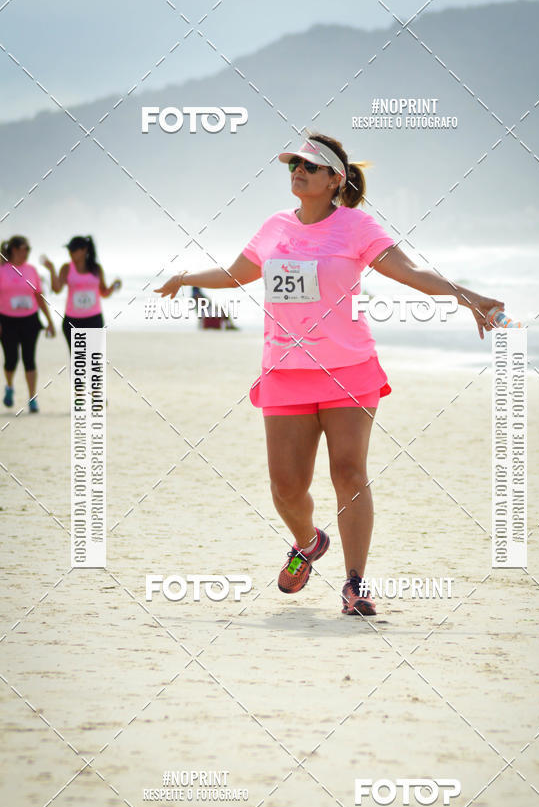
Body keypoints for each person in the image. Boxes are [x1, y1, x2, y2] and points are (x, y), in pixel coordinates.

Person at [155, 133, 503, 617]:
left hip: (348, 370)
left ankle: (355, 584)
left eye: (310, 165)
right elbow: (237, 274)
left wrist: (470, 297)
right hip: (285, 372)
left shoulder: (356, 227)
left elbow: (412, 274)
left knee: (349, 472)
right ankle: (308, 541)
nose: (298, 169)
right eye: (294, 163)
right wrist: (186, 277)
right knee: (286, 489)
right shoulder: (274, 227)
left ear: (335, 179)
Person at [0, 235, 56, 413]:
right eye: (25, 249)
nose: (27, 253)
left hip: (30, 320)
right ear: (15, 250)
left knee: (29, 359)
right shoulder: (2, 270)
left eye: (29, 249)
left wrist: (49, 321)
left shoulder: (31, 270)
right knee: (11, 359)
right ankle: (9, 387)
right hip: (7, 320)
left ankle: (32, 398)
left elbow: (38, 296)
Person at [41, 235, 121, 350]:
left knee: (92, 361)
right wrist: (52, 269)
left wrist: (114, 286)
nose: (71, 253)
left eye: (74, 250)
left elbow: (103, 293)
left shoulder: (96, 269)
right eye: (69, 250)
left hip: (94, 319)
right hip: (72, 320)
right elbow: (57, 289)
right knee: (78, 362)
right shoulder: (67, 268)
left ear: (84, 250)